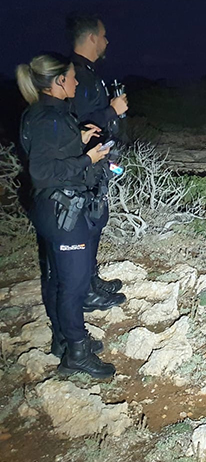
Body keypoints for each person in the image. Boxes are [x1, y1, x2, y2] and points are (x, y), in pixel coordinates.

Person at [17, 53, 116, 378]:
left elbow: (53, 151)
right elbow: (44, 171)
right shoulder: (49, 118)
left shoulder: (47, 114)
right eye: (71, 77)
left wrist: (80, 139)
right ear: (59, 82)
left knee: (57, 280)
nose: (75, 82)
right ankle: (76, 351)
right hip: (63, 212)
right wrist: (87, 159)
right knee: (72, 286)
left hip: (52, 210)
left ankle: (63, 340)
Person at [67, 12, 128, 310]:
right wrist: (112, 111)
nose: (106, 41)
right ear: (91, 37)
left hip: (99, 161)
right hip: (86, 164)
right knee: (88, 223)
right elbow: (78, 123)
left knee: (97, 220)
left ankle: (92, 279)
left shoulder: (89, 72)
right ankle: (86, 291)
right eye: (103, 36)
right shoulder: (75, 73)